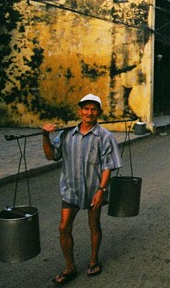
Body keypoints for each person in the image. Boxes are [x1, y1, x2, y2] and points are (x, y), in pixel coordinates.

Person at [42, 94, 122, 285]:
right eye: (86, 108)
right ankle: (70, 267)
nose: (89, 112)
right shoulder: (67, 134)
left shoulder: (105, 136)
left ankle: (94, 260)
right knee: (63, 227)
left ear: (99, 113)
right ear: (80, 111)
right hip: (71, 189)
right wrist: (45, 135)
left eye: (93, 109)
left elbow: (108, 166)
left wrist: (101, 189)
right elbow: (51, 155)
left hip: (95, 189)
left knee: (94, 225)